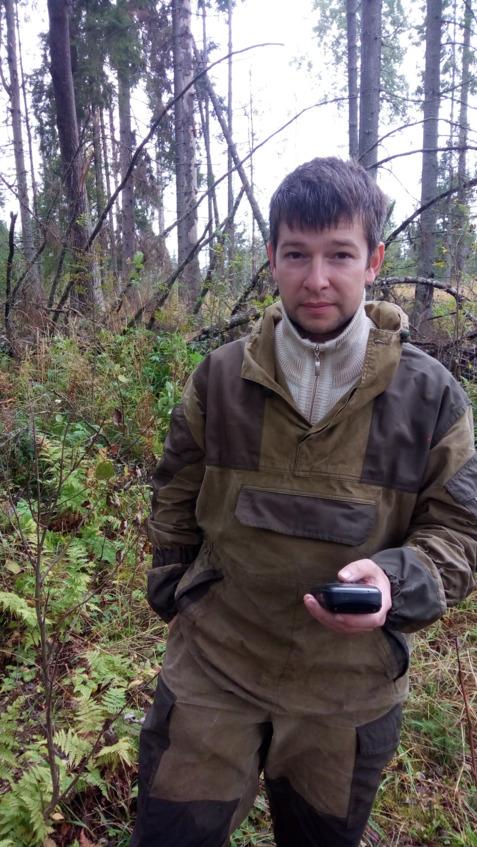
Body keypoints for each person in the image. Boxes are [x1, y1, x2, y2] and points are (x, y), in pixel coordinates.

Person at [131, 158, 476, 847]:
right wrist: (174, 588)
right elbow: (175, 493)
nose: (316, 279)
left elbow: (460, 529)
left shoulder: (429, 395)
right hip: (214, 671)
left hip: (346, 691)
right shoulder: (220, 378)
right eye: (296, 254)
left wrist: (395, 581)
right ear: (272, 258)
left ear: (373, 261)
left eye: (339, 255)